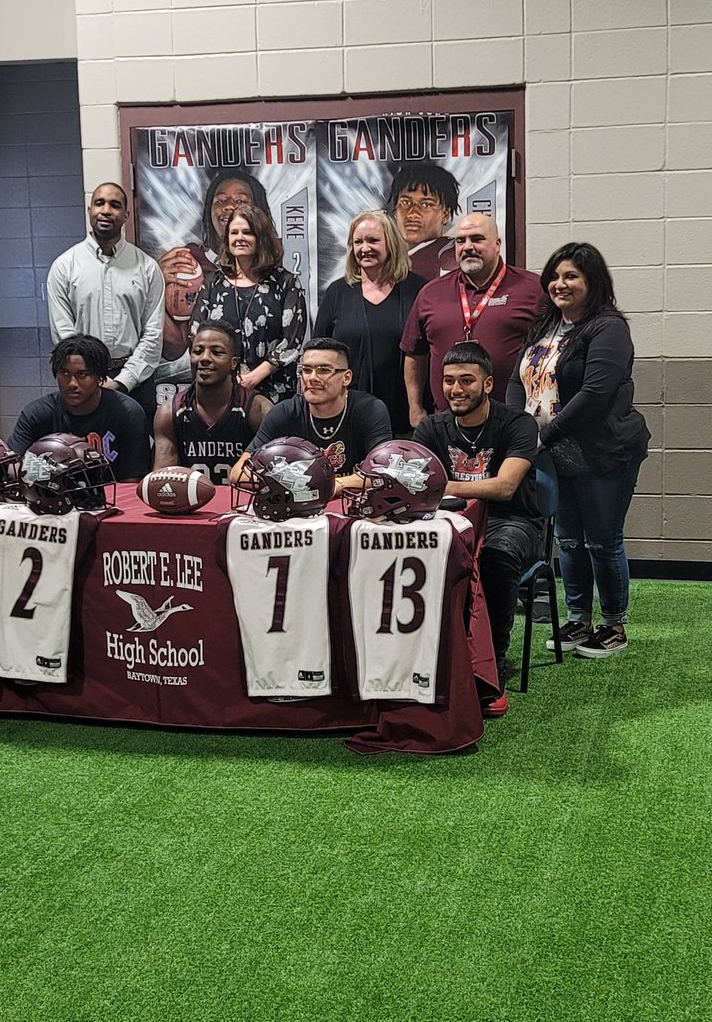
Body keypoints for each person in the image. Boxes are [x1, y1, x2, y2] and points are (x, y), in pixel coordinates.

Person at [507, 243, 649, 659]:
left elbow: (595, 394)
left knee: (602, 542)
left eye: (571, 276)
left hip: (603, 451)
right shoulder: (545, 325)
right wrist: (517, 429)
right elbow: (518, 379)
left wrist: (542, 438)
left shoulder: (608, 328)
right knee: (568, 540)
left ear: (592, 282)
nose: (560, 284)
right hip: (551, 453)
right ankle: (578, 619)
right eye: (554, 275)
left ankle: (613, 626)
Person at [413, 342, 542, 717]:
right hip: (445, 521)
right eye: (449, 381)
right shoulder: (431, 427)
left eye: (466, 380)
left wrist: (441, 484)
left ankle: (492, 667)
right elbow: (413, 482)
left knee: (495, 557)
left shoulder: (518, 423)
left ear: (487, 385)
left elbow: (504, 487)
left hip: (512, 520)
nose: (456, 389)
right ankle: (428, 661)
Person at [400, 213, 544, 425]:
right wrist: (415, 407)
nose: (467, 246)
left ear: (497, 244)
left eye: (477, 239)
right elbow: (414, 354)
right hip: (447, 424)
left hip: (513, 424)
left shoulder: (533, 289)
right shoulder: (430, 293)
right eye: (461, 241)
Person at [47, 183, 164, 419]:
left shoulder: (147, 267)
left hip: (136, 383)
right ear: (90, 210)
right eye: (99, 203)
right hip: (82, 383)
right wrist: (90, 376)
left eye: (115, 205)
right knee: (83, 452)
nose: (106, 210)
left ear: (125, 216)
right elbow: (64, 334)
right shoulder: (64, 267)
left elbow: (153, 334)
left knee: (139, 453)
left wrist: (122, 382)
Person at [151, 169, 275, 386]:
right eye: (220, 200)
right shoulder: (189, 262)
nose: (228, 206)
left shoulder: (274, 273)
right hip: (209, 388)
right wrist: (155, 284)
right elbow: (173, 350)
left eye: (240, 200)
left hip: (264, 384)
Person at [230, 338, 392, 497]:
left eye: (324, 370)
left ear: (346, 378)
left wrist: (325, 486)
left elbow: (384, 471)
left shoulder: (370, 410)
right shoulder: (285, 412)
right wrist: (291, 485)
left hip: (353, 507)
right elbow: (238, 473)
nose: (312, 377)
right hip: (296, 509)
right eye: (306, 370)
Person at [313, 211, 426, 436]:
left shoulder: (419, 289)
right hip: (349, 415)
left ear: (391, 243)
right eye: (358, 242)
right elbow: (318, 352)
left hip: (406, 416)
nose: (364, 248)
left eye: (373, 240)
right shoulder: (337, 292)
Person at [188, 204, 306, 405]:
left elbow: (292, 341)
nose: (239, 238)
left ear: (261, 238)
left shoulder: (286, 283)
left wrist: (254, 377)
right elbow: (196, 334)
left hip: (273, 390)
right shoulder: (213, 283)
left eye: (247, 232)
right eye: (234, 232)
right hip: (220, 390)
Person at [8, 335, 150, 482]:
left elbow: (132, 481)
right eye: (64, 373)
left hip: (112, 499)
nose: (72, 383)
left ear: (100, 378)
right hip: (51, 498)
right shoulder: (37, 413)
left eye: (82, 375)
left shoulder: (128, 413)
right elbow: (12, 467)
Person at [152, 319, 272, 485]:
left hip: (243, 505)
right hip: (190, 508)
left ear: (233, 363)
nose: (204, 358)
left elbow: (270, 479)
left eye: (216, 352)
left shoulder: (258, 409)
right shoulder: (169, 412)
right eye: (198, 351)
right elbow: (162, 484)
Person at [387, 162, 461, 281]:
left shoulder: (452, 257)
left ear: (445, 214)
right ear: (395, 210)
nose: (412, 214)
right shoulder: (384, 257)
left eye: (426, 204)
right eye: (405, 203)